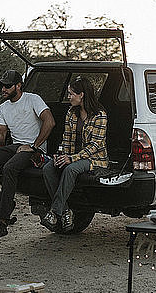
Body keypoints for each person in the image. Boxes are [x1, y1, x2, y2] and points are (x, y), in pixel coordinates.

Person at [0, 69, 55, 240]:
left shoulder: (32, 99)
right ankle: (3, 206)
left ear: (18, 86)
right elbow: (1, 139)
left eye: (7, 86)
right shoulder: (3, 108)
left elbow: (50, 121)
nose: (3, 89)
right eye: (2, 86)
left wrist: (34, 146)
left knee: (9, 168)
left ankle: (2, 222)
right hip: (16, 146)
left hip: (35, 149)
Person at [40, 76, 108, 232]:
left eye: (71, 94)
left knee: (71, 169)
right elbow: (67, 138)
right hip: (73, 156)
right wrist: (60, 154)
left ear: (82, 95)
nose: (68, 97)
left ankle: (55, 212)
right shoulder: (71, 113)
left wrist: (71, 159)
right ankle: (65, 211)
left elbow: (95, 146)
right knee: (49, 168)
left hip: (94, 159)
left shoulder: (100, 115)